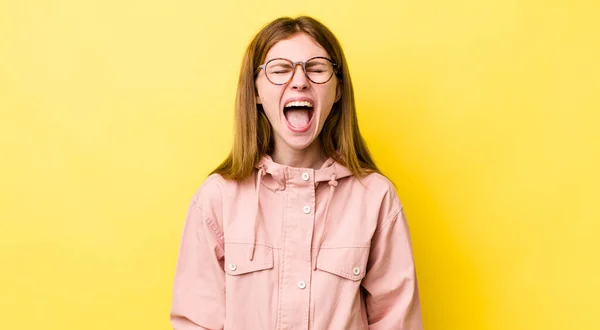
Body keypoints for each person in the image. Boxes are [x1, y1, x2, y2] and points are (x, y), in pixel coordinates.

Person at [170, 16, 423, 330]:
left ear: (339, 89)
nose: (300, 80)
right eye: (279, 70)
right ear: (256, 92)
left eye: (316, 68)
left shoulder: (376, 197)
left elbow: (397, 321)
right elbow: (196, 322)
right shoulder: (218, 197)